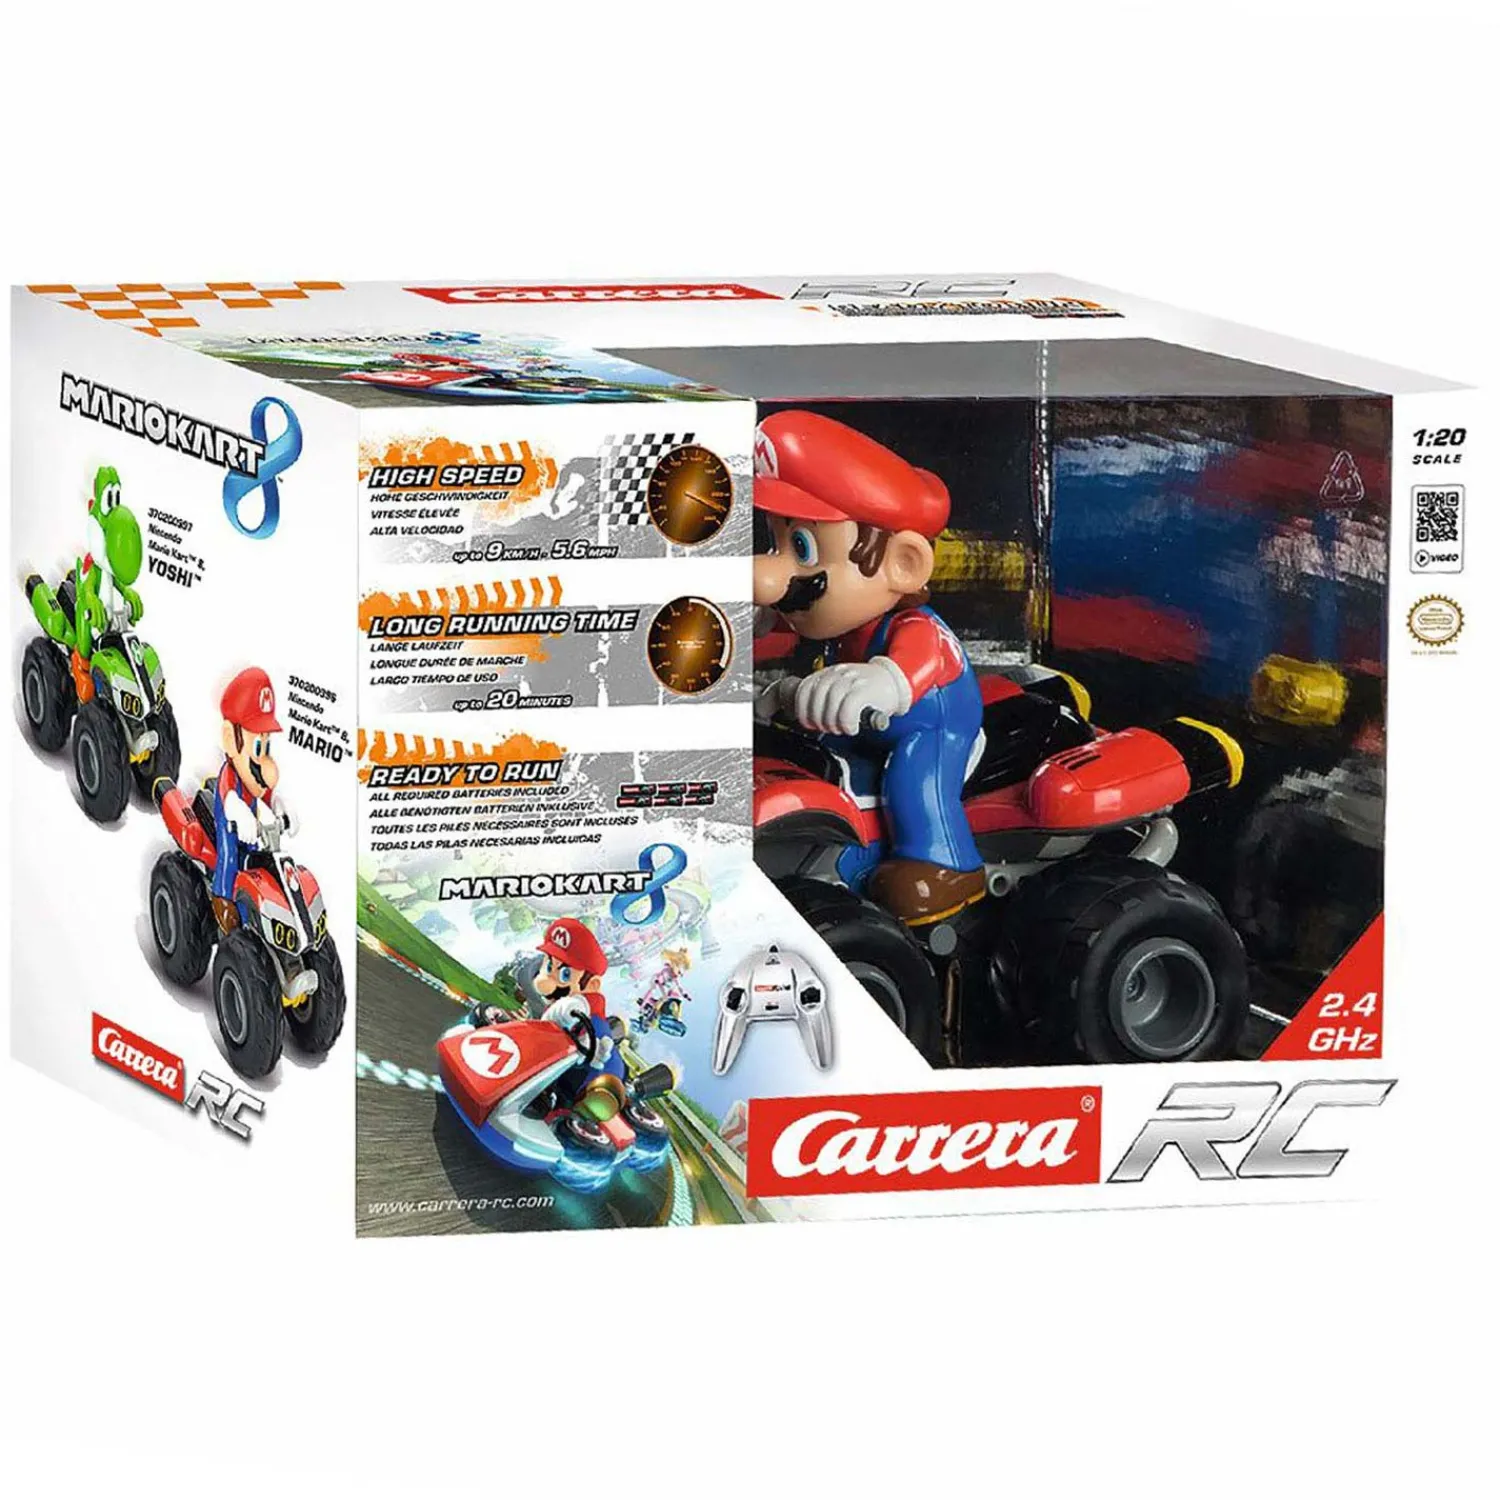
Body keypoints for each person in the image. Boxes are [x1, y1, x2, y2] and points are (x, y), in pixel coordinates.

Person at [753, 410, 984, 925]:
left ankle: (944, 864)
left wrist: (883, 680)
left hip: (928, 728)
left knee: (913, 779)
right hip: (857, 731)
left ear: (903, 563)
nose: (771, 570)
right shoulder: (842, 626)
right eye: (776, 542)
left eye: (802, 549)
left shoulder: (917, 629)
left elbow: (915, 671)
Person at [211, 667, 294, 933]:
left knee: (258, 859)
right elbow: (229, 800)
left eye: (266, 746)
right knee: (230, 856)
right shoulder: (231, 775)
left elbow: (268, 799)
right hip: (230, 823)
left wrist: (282, 810)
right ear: (230, 739)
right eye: (258, 747)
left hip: (253, 829)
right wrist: (240, 813)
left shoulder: (255, 780)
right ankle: (222, 899)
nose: (264, 756)